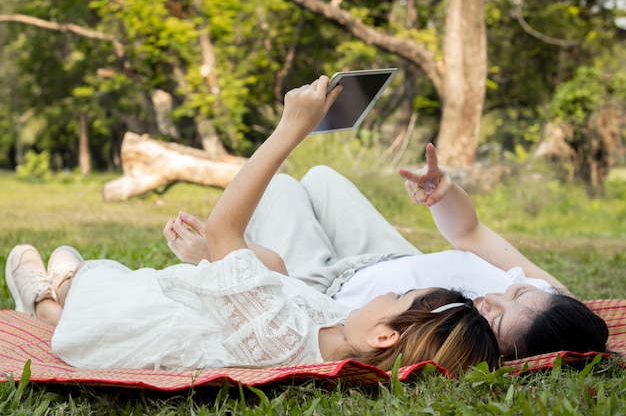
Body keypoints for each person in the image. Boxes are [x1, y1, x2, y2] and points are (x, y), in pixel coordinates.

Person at [4, 76, 500, 376]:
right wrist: (217, 258)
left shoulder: (283, 342)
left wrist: (291, 129)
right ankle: (67, 286)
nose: (382, 296)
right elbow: (277, 272)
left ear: (385, 338)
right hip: (182, 296)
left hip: (128, 325)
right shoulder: (334, 326)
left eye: (395, 299)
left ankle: (49, 307)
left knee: (76, 280)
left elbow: (226, 229)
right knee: (76, 265)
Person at [163, 144, 609, 361]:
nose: (493, 298)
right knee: (320, 175)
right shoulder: (546, 300)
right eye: (518, 293)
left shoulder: (462, 342)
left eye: (495, 318)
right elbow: (470, 233)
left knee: (280, 188)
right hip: (386, 256)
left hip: (328, 291)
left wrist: (219, 257)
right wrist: (443, 194)